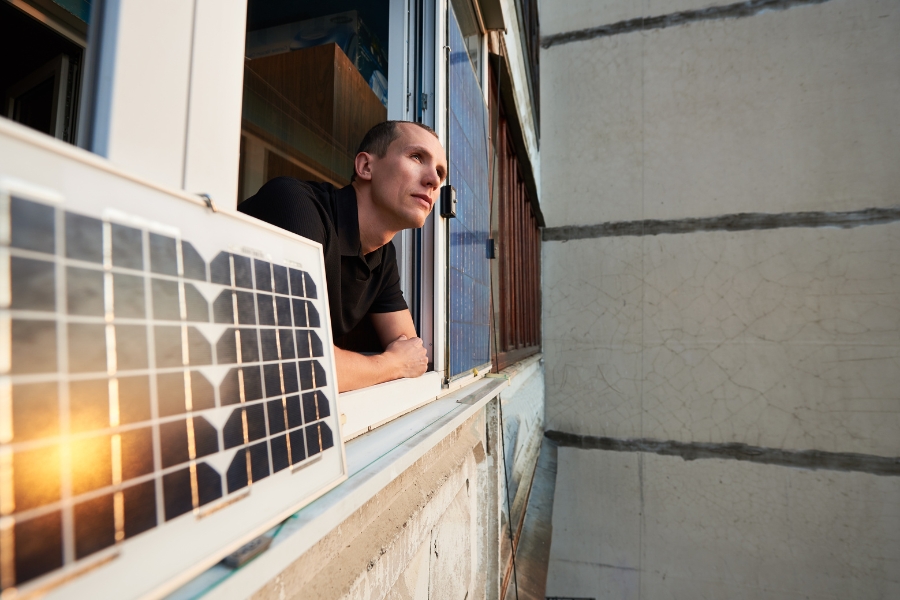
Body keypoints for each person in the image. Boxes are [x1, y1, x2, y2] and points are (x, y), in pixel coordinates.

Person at [238, 121, 447, 392]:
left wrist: (392, 362)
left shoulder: (383, 256)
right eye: (417, 157)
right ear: (366, 167)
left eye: (440, 173)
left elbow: (412, 353)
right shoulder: (295, 205)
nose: (434, 180)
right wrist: (391, 364)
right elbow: (297, 363)